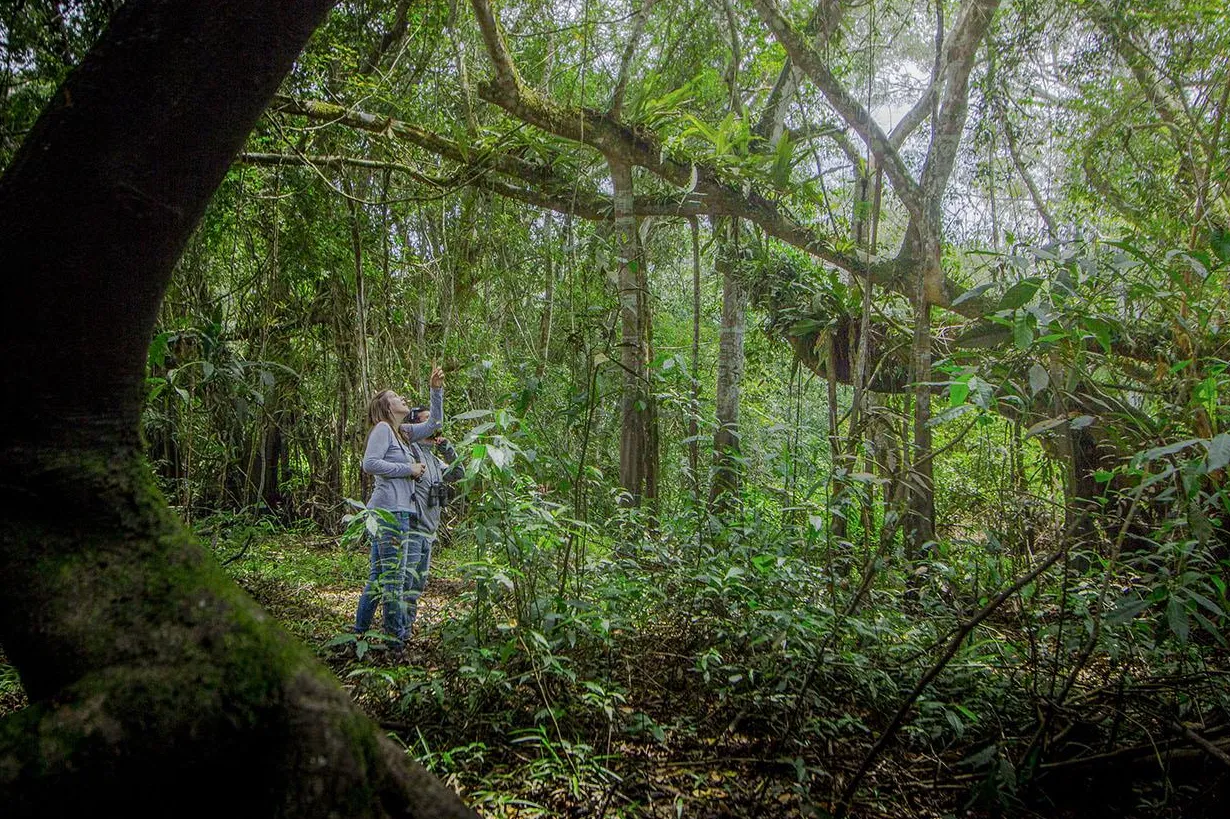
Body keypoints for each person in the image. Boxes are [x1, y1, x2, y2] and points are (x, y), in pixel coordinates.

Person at [351, 365, 444, 649]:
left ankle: (360, 633)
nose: (401, 397)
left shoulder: (401, 432)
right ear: (385, 407)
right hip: (389, 512)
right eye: (395, 396)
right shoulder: (382, 429)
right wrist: (408, 469)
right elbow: (369, 464)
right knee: (394, 579)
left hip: (398, 512)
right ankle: (396, 641)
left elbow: (433, 424)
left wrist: (436, 390)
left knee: (379, 577)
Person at [401, 401, 463, 632]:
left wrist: (447, 447)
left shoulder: (435, 460)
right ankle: (398, 634)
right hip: (413, 529)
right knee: (406, 584)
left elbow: (458, 472)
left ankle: (405, 629)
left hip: (430, 532)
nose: (433, 428)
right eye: (427, 423)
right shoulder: (409, 453)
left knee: (417, 585)